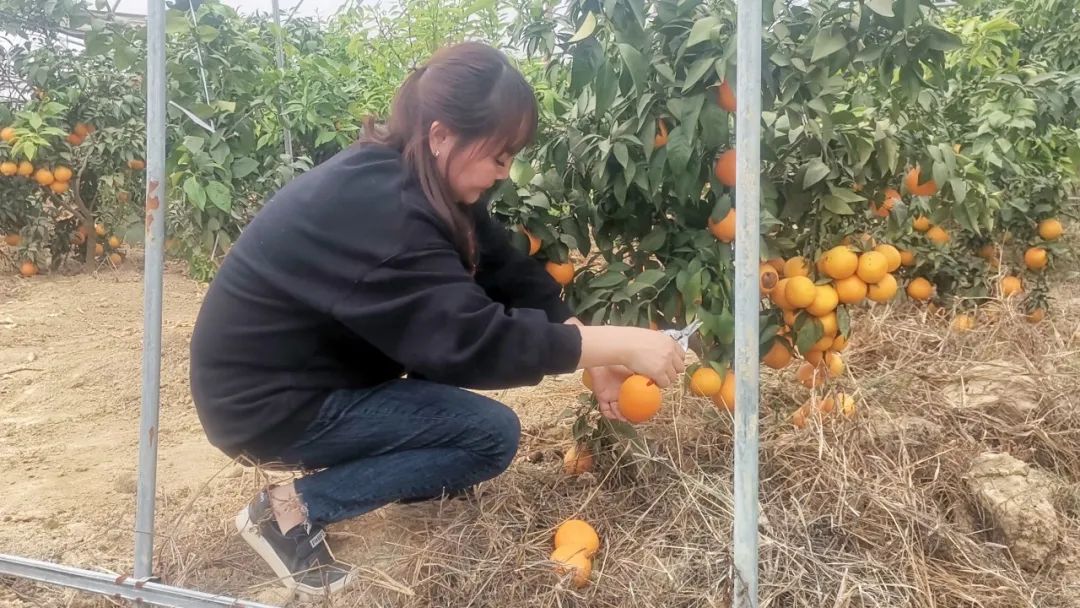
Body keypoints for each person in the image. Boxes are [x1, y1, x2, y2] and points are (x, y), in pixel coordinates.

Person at [188, 41, 685, 598]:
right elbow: (471, 340)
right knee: (489, 438)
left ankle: (414, 479)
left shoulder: (416, 181)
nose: (505, 172)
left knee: (450, 365)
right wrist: (613, 343)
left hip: (305, 374)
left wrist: (587, 348)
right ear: (443, 134)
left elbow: (502, 266)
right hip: (266, 404)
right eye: (500, 155)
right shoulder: (385, 210)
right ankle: (289, 511)